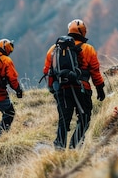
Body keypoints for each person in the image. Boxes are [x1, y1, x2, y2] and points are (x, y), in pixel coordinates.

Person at [43, 19, 106, 150]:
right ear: (83, 32)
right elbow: (95, 71)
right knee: (84, 117)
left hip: (62, 89)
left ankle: (59, 148)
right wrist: (100, 88)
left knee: (63, 120)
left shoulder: (54, 49)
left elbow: (47, 71)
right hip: (81, 88)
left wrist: (53, 90)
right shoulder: (88, 49)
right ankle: (74, 147)